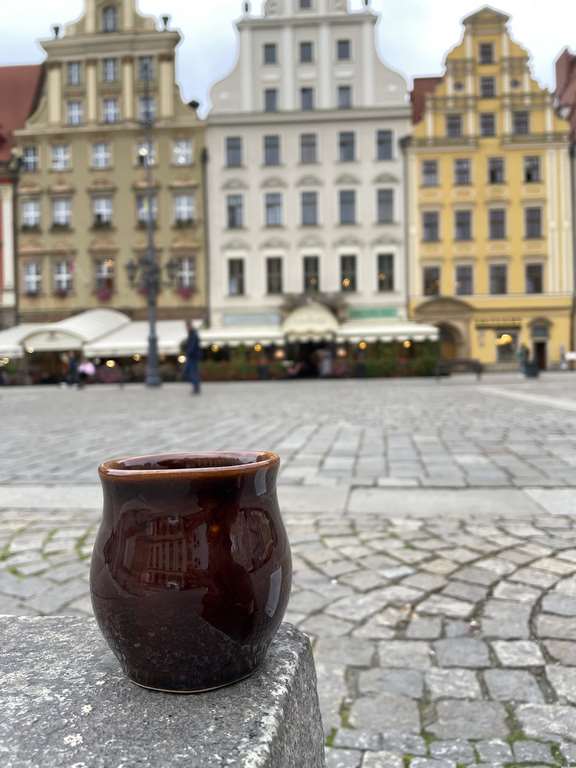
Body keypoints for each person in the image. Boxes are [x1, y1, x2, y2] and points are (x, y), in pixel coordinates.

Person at [183, 321, 202, 395]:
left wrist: (188, 352)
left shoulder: (193, 334)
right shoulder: (192, 334)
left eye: (187, 327)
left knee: (192, 372)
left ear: (190, 326)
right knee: (188, 372)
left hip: (192, 356)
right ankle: (196, 387)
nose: (186, 328)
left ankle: (196, 388)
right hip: (191, 356)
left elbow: (193, 346)